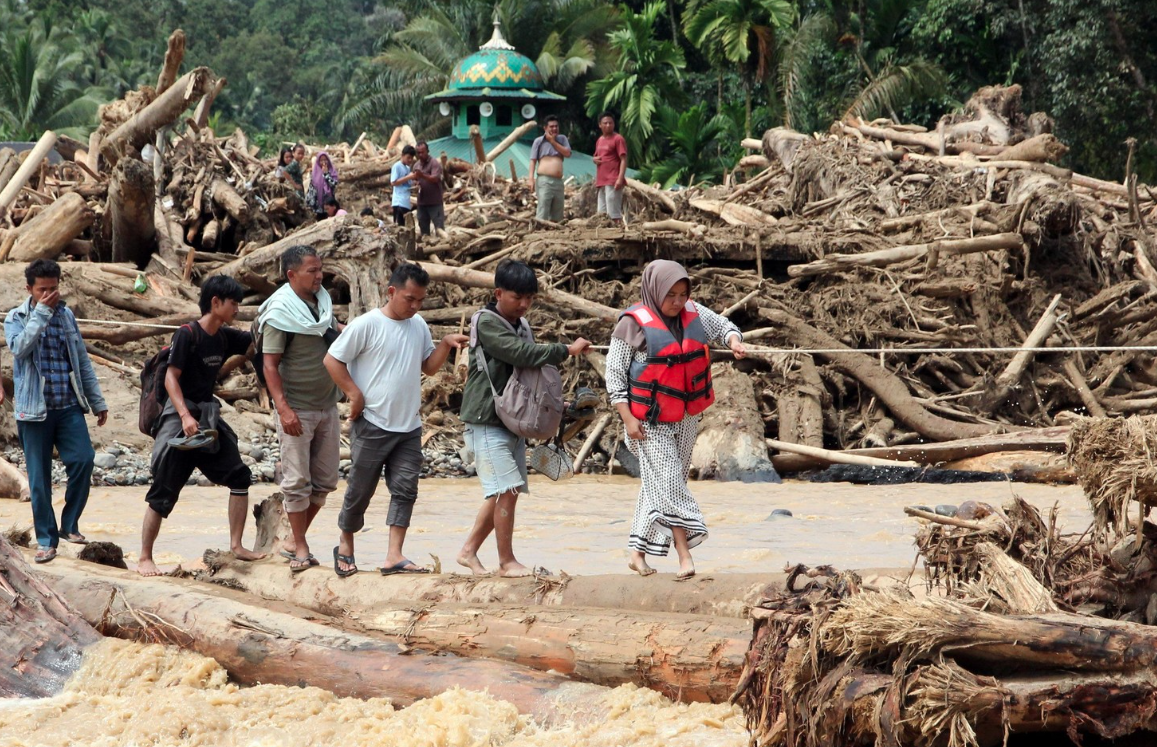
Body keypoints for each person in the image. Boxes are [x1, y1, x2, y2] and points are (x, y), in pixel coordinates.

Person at [324, 263, 468, 577]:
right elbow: (332, 360)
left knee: (405, 490)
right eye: (409, 299)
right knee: (360, 490)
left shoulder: (418, 326)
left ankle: (394, 555)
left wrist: (444, 344)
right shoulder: (367, 324)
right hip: (373, 421)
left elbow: (428, 368)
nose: (415, 306)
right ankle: (346, 544)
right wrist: (354, 394)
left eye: (420, 300)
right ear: (391, 292)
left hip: (409, 426)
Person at [606, 260, 745, 579]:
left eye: (683, 294)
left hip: (684, 417)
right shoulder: (633, 324)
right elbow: (614, 375)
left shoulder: (693, 312)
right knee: (668, 481)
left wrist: (734, 342)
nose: (678, 301)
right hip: (648, 422)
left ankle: (637, 554)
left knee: (663, 484)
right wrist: (627, 418)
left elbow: (723, 327)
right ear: (655, 291)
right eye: (671, 295)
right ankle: (685, 556)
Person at [457, 260, 590, 578]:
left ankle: (467, 551)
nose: (525, 304)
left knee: (506, 490)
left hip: (511, 418)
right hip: (486, 417)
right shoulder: (486, 323)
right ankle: (507, 562)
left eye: (530, 298)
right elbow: (519, 354)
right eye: (518, 297)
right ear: (498, 293)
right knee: (507, 489)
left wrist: (559, 404)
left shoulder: (522, 324)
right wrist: (566, 350)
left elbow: (530, 376)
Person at [137, 276, 265, 576]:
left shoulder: (224, 336)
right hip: (181, 419)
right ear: (215, 303)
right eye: (233, 303)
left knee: (239, 476)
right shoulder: (187, 334)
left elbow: (257, 340)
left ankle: (237, 545)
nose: (237, 308)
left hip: (207, 421)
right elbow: (171, 378)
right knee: (162, 491)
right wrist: (184, 415)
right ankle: (144, 557)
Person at [5, 259, 107, 563]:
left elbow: (81, 361)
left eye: (53, 289)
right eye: (42, 290)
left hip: (67, 406)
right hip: (33, 411)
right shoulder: (17, 317)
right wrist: (40, 314)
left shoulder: (67, 316)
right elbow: (20, 349)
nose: (49, 294)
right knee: (39, 480)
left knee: (84, 460)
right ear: (29, 289)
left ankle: (69, 524)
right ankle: (46, 540)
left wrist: (97, 400)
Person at [258, 246, 342, 572]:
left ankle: (294, 540)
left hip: (327, 404)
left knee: (325, 482)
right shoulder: (280, 312)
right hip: (297, 408)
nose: (319, 275)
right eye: (311, 270)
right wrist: (283, 408)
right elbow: (269, 366)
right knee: (296, 482)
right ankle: (301, 549)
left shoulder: (322, 304)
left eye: (320, 269)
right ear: (291, 275)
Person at [528, 116, 571, 222]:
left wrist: (553, 142)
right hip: (544, 180)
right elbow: (533, 160)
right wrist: (530, 178)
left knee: (558, 210)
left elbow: (567, 153)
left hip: (558, 181)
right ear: (545, 128)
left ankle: (554, 234)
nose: (554, 128)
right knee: (543, 207)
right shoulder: (538, 141)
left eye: (556, 126)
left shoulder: (562, 139)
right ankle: (539, 233)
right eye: (551, 126)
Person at [592, 112, 628, 224]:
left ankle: (616, 232)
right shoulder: (600, 140)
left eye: (610, 123)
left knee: (613, 212)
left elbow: (623, 159)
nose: (608, 125)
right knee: (601, 213)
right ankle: (603, 234)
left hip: (613, 180)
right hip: (601, 181)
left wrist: (620, 178)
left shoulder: (618, 139)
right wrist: (594, 160)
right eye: (605, 123)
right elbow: (597, 156)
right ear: (600, 125)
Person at [411, 142, 444, 237]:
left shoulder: (434, 163)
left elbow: (435, 178)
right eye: (418, 153)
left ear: (428, 151)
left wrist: (422, 175)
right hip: (422, 203)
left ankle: (442, 249)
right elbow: (414, 180)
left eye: (422, 152)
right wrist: (416, 183)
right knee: (423, 228)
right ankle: (427, 247)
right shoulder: (416, 165)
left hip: (435, 203)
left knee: (439, 228)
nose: (420, 155)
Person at [390, 144, 418, 227]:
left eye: (412, 158)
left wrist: (414, 184)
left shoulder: (407, 168)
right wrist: (408, 177)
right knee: (400, 227)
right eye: (408, 157)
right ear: (402, 155)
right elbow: (393, 182)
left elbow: (407, 183)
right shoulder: (397, 166)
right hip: (399, 202)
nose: (410, 160)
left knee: (406, 226)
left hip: (406, 202)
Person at [307, 151, 339, 219]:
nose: (323, 162)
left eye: (325, 160)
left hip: (329, 202)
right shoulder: (315, 173)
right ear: (318, 161)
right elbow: (312, 188)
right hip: (319, 204)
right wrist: (311, 203)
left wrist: (326, 174)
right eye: (321, 160)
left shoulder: (332, 170)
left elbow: (333, 184)